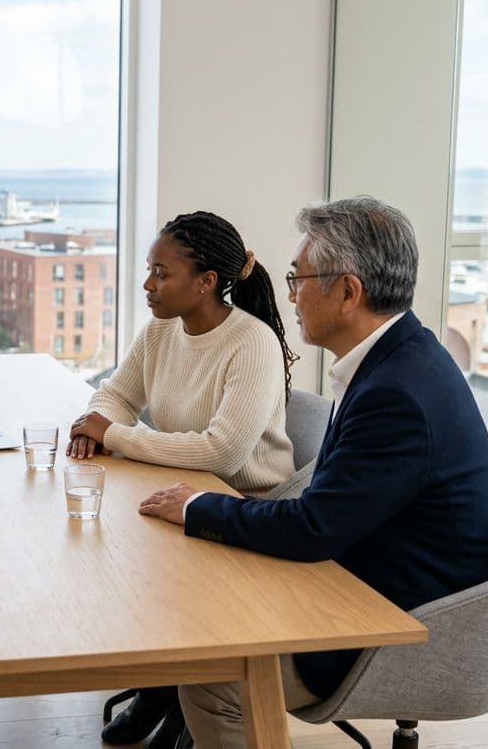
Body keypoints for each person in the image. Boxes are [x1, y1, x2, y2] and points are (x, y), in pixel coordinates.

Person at [138, 196, 488, 749]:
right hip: (360, 572)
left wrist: (195, 507)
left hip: (390, 617)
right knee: (192, 599)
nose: (290, 295)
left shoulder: (398, 393)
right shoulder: (399, 358)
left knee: (213, 672)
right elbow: (328, 509)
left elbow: (315, 529)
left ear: (348, 291)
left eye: (299, 279)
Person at [67, 211, 298, 749]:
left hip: (244, 509)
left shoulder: (252, 343)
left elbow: (222, 452)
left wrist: (116, 436)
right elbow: (115, 394)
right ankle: (164, 685)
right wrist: (96, 427)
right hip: (182, 494)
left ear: (207, 282)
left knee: (137, 556)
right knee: (113, 552)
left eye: (161, 273)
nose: (148, 285)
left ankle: (181, 694)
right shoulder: (161, 331)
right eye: (149, 270)